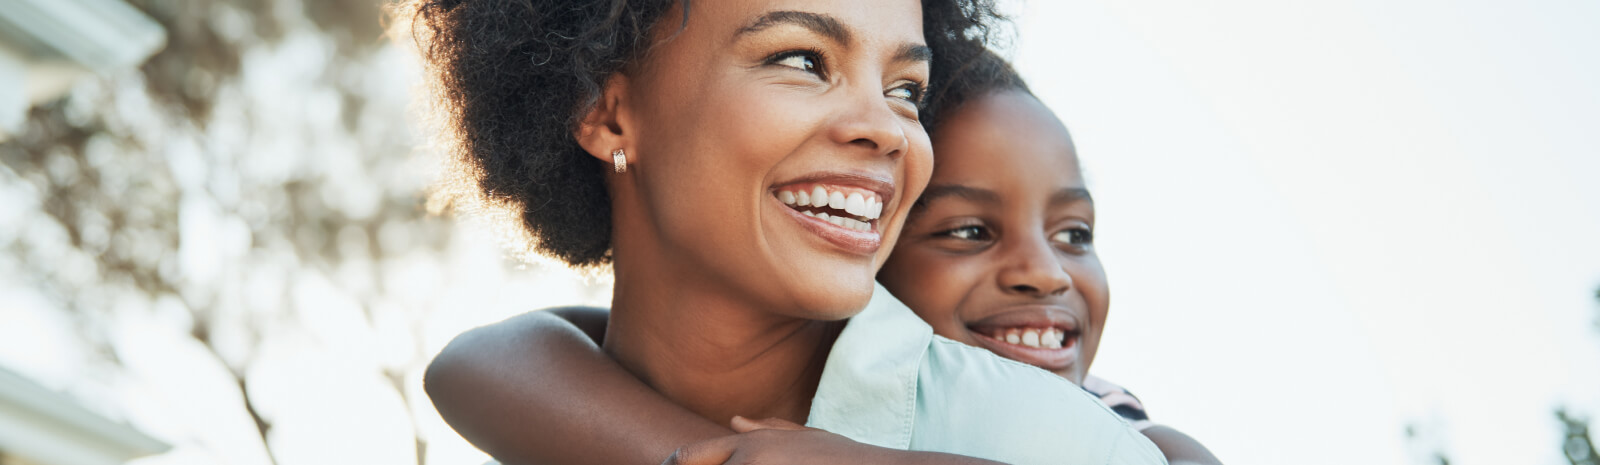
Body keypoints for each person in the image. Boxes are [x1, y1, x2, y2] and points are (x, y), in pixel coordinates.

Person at [407, 0, 1164, 463]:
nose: (888, 129)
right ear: (606, 113)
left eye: (906, 89)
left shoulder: (1051, 441)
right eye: (803, 59)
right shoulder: (530, 408)